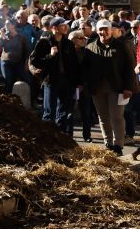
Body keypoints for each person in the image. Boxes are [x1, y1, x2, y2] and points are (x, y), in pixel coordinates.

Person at [81, 19, 134, 155]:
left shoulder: (121, 46)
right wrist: (86, 83)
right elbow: (85, 68)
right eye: (100, 29)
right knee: (103, 116)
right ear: (96, 31)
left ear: (111, 30)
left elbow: (129, 67)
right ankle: (108, 143)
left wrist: (129, 87)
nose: (103, 32)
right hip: (97, 88)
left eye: (105, 29)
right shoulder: (90, 47)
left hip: (118, 87)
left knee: (117, 116)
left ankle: (118, 145)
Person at [30, 17, 80, 135]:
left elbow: (74, 64)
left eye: (66, 25)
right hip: (51, 81)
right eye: (63, 25)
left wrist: (77, 82)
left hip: (67, 81)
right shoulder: (44, 42)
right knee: (49, 112)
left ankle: (60, 137)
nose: (66, 27)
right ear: (54, 28)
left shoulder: (68, 43)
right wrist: (50, 56)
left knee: (63, 112)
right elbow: (35, 61)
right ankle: (47, 137)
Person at [0, 19, 30, 96]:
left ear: (13, 25)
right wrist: (1, 35)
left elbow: (27, 51)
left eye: (8, 24)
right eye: (5, 24)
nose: (5, 25)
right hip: (6, 62)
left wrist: (26, 63)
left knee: (26, 79)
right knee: (8, 81)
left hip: (18, 62)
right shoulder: (4, 36)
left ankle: (31, 99)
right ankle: (8, 100)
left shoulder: (21, 37)